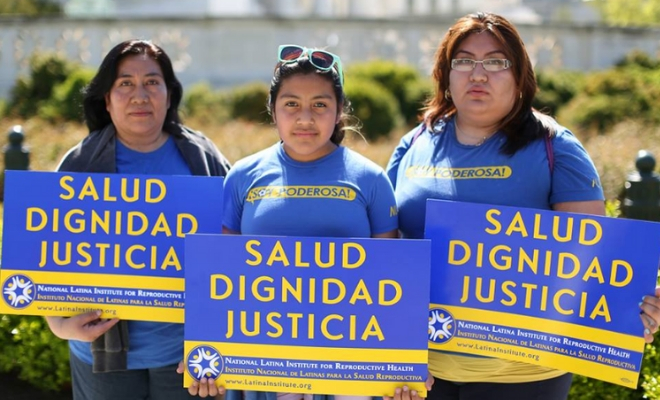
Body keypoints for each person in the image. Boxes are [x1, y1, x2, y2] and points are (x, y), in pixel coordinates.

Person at [386, 12, 660, 400]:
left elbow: (594, 262)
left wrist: (635, 309)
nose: (477, 74)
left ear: (520, 75)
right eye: (462, 61)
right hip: (426, 373)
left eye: (496, 61)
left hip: (524, 376)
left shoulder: (555, 146)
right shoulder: (413, 143)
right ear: (445, 75)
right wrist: (384, 357)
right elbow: (386, 251)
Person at [217, 44, 411, 400]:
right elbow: (221, 282)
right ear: (273, 110)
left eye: (320, 105)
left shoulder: (371, 180)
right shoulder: (242, 176)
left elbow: (391, 285)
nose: (305, 118)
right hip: (264, 363)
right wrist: (209, 361)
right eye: (291, 104)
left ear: (339, 112)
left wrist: (400, 368)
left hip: (348, 367)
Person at [45, 39, 231, 400]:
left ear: (169, 94)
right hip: (101, 354)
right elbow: (46, 253)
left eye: (152, 82)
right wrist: (60, 327)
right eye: (125, 83)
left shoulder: (203, 158)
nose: (140, 95)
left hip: (185, 354)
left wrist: (218, 340)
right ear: (107, 98)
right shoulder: (78, 165)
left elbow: (234, 249)